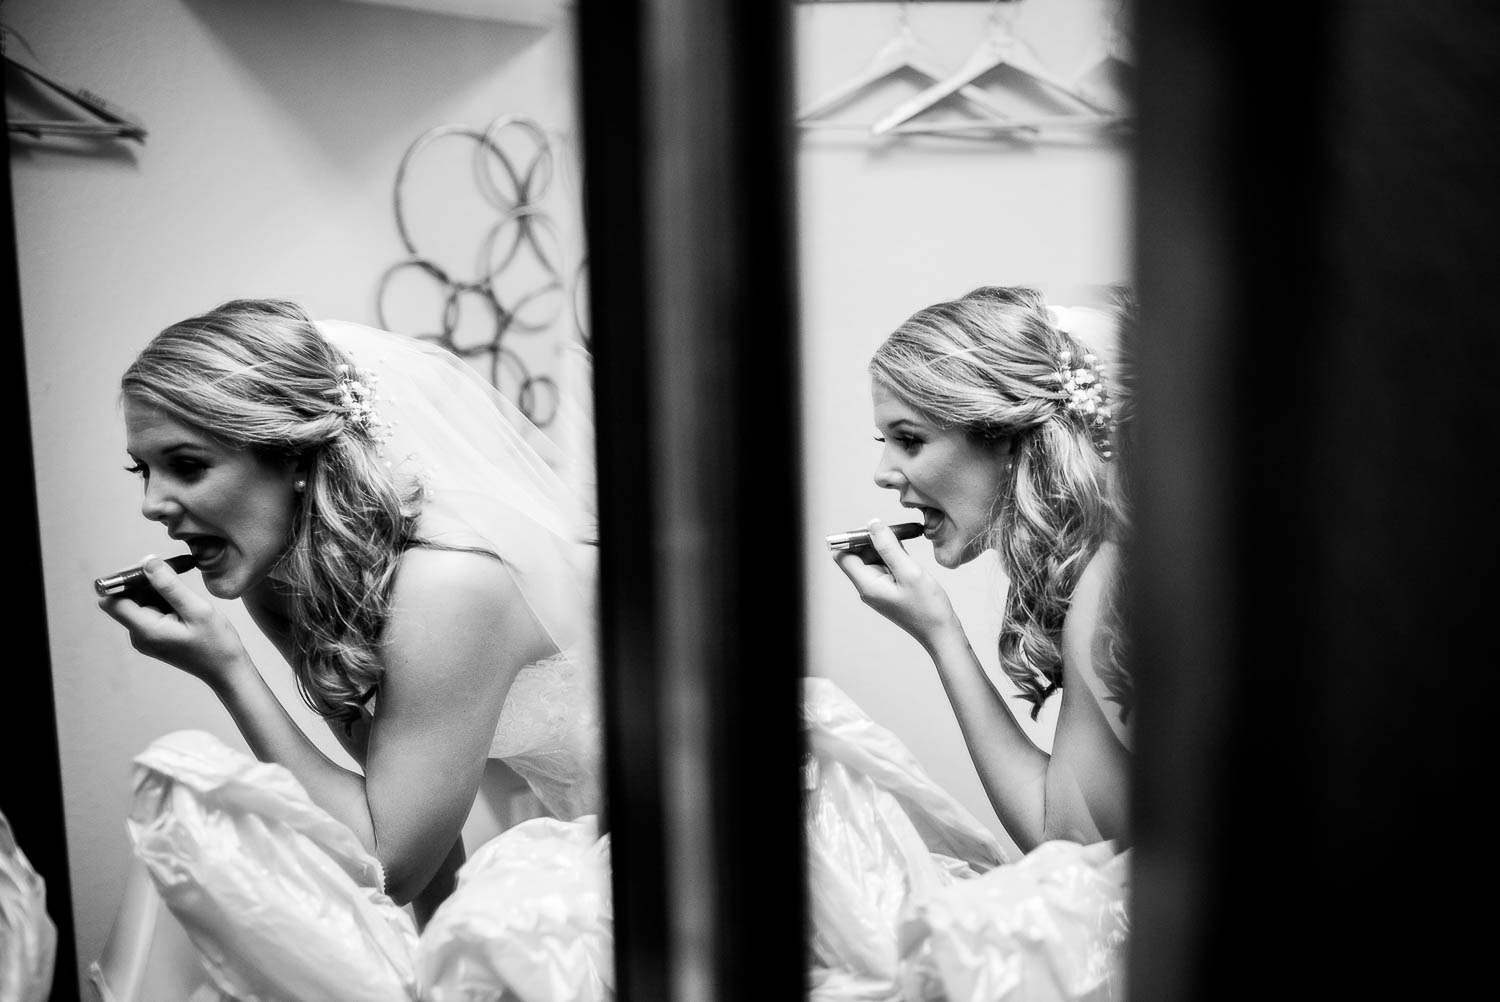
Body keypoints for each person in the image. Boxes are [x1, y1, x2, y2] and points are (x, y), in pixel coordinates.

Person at [91, 299, 602, 1000]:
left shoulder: (453, 586)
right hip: (576, 839)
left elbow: (391, 861)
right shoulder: (288, 580)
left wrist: (226, 668)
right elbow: (401, 824)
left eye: (186, 464)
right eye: (142, 471)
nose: (154, 504)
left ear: (293, 457)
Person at [823, 285, 1134, 998]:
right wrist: (939, 633)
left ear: (1006, 434)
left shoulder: (1119, 585)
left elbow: (1072, 851)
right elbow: (1068, 830)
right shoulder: (1104, 570)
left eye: (909, 438)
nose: (883, 474)